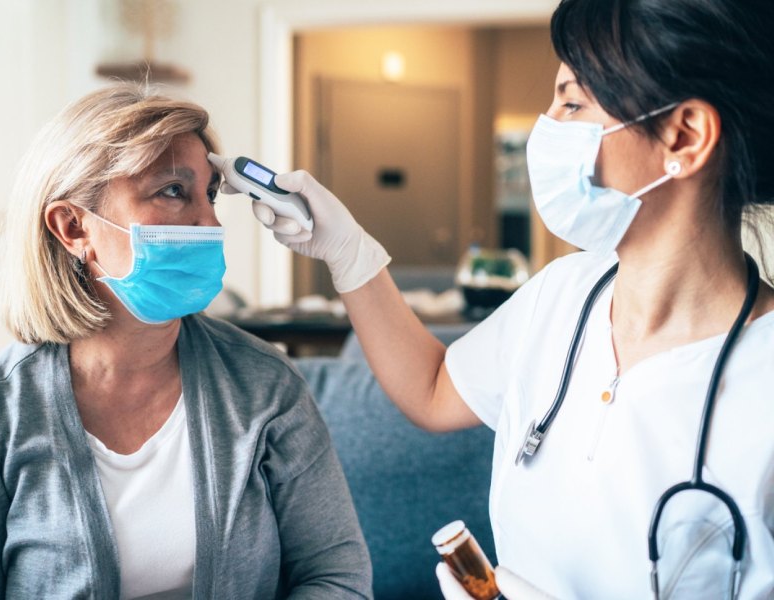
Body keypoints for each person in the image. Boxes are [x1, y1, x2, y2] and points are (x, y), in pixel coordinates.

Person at [233, 0, 774, 597]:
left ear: (684, 135)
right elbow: (433, 390)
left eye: (572, 102)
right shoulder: (563, 295)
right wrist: (349, 253)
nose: (547, 128)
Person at [0, 83, 372, 599]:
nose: (209, 221)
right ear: (73, 227)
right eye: (172, 191)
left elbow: (337, 578)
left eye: (208, 194)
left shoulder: (267, 387)